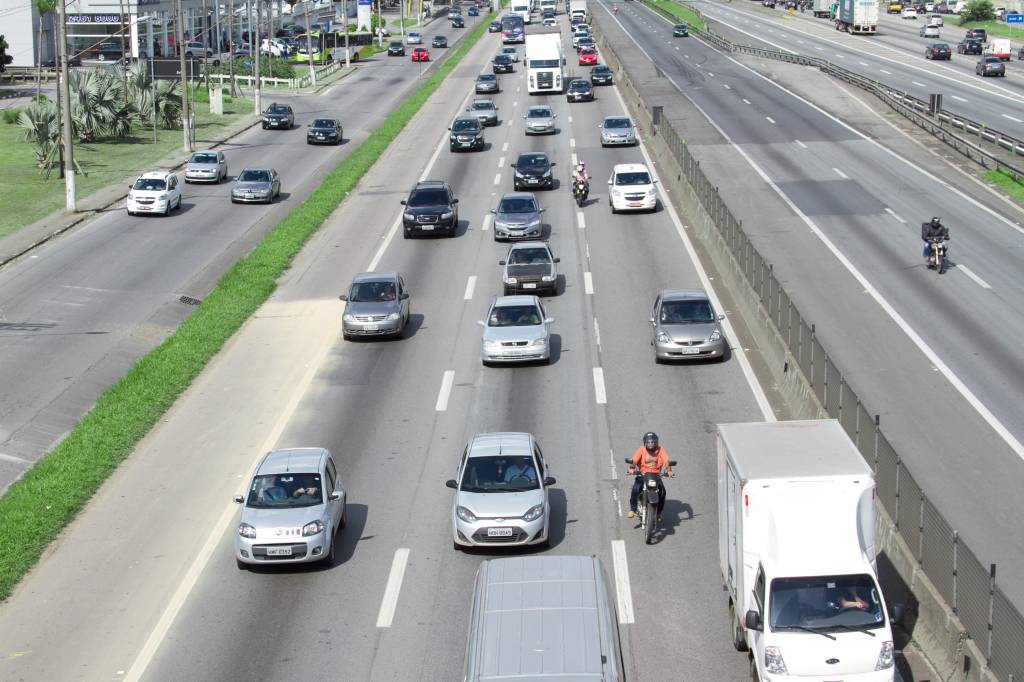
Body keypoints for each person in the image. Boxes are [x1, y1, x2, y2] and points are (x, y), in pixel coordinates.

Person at [627, 432, 674, 521]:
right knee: (635, 489)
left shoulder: (661, 450)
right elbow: (634, 460)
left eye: (653, 442)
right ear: (645, 443)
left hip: (656, 475)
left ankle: (658, 513)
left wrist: (669, 471)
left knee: (662, 492)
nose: (651, 444)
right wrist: (632, 468)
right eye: (649, 442)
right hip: (643, 474)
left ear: (657, 442)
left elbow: (666, 461)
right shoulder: (641, 449)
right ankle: (632, 509)